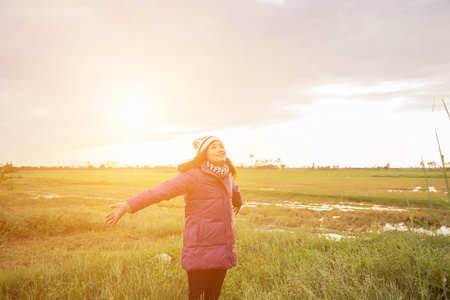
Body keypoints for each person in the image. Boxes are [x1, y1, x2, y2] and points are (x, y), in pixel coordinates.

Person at [106, 136, 243, 300]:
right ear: (203, 153)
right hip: (200, 246)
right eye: (214, 147)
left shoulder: (226, 176)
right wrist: (128, 205)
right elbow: (160, 191)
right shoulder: (193, 176)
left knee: (213, 296)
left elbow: (234, 190)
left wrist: (238, 202)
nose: (220, 149)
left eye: (222, 146)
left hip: (223, 244)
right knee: (196, 296)